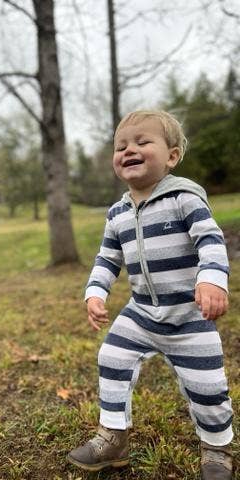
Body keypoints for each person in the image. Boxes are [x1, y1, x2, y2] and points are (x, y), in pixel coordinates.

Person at [67, 110, 233, 479]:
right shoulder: (117, 214)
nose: (129, 150)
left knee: (208, 385)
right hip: (141, 312)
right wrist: (95, 292)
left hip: (189, 315)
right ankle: (113, 437)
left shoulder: (184, 199)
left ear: (171, 156)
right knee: (111, 357)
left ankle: (217, 448)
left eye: (143, 142)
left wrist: (212, 279)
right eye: (121, 146)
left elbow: (211, 240)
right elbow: (107, 259)